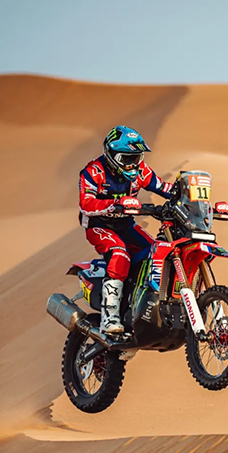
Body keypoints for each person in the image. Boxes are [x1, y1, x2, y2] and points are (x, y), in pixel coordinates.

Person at [78, 125, 173, 334]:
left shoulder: (141, 171)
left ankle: (141, 304)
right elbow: (86, 204)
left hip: (126, 225)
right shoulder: (93, 172)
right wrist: (114, 204)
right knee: (119, 254)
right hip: (99, 226)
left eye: (136, 158)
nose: (133, 164)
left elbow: (163, 187)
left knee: (157, 252)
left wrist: (186, 192)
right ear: (111, 155)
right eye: (127, 159)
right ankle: (109, 316)